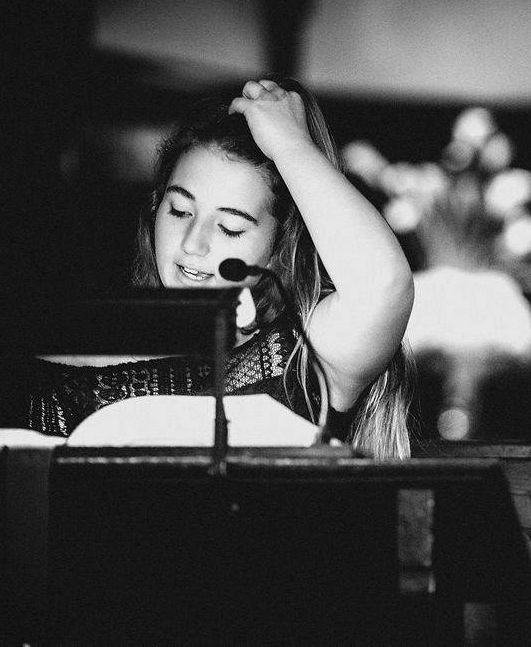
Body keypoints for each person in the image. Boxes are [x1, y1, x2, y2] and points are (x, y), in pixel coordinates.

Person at [26, 77, 416, 459]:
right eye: (180, 211)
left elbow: (383, 286)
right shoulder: (68, 343)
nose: (193, 243)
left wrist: (290, 144)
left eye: (229, 228)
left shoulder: (305, 356)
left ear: (278, 244)